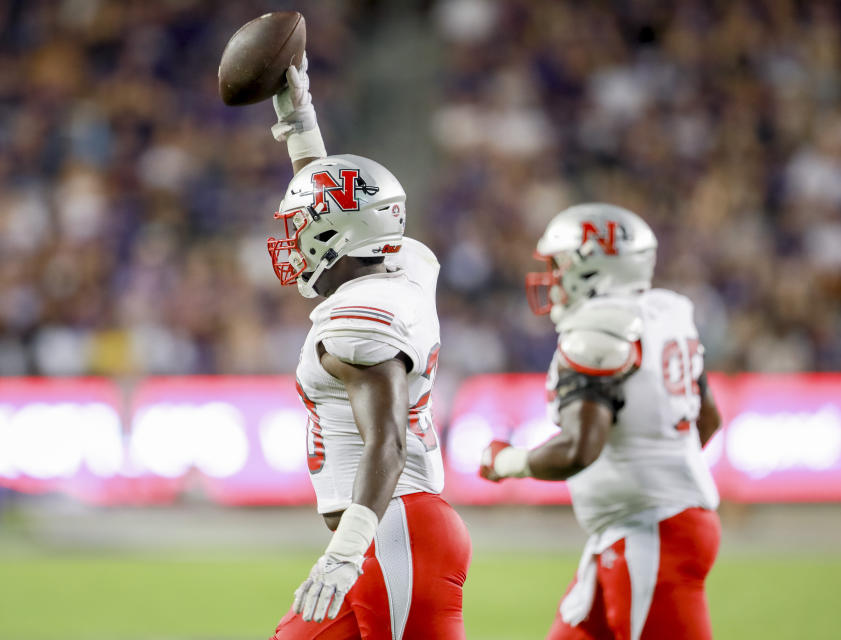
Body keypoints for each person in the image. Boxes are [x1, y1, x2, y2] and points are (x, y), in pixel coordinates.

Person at [265, 55, 470, 639]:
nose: (295, 242)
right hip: (376, 536)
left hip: (396, 535)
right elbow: (338, 197)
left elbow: (389, 441)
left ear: (338, 238)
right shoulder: (400, 263)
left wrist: (346, 551)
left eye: (304, 229)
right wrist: (298, 117)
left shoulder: (359, 321)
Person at [479, 203, 722, 640]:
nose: (551, 277)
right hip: (639, 527)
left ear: (591, 268)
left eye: (558, 264)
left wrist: (506, 462)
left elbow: (578, 448)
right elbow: (709, 420)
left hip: (651, 530)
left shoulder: (599, 330)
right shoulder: (666, 313)